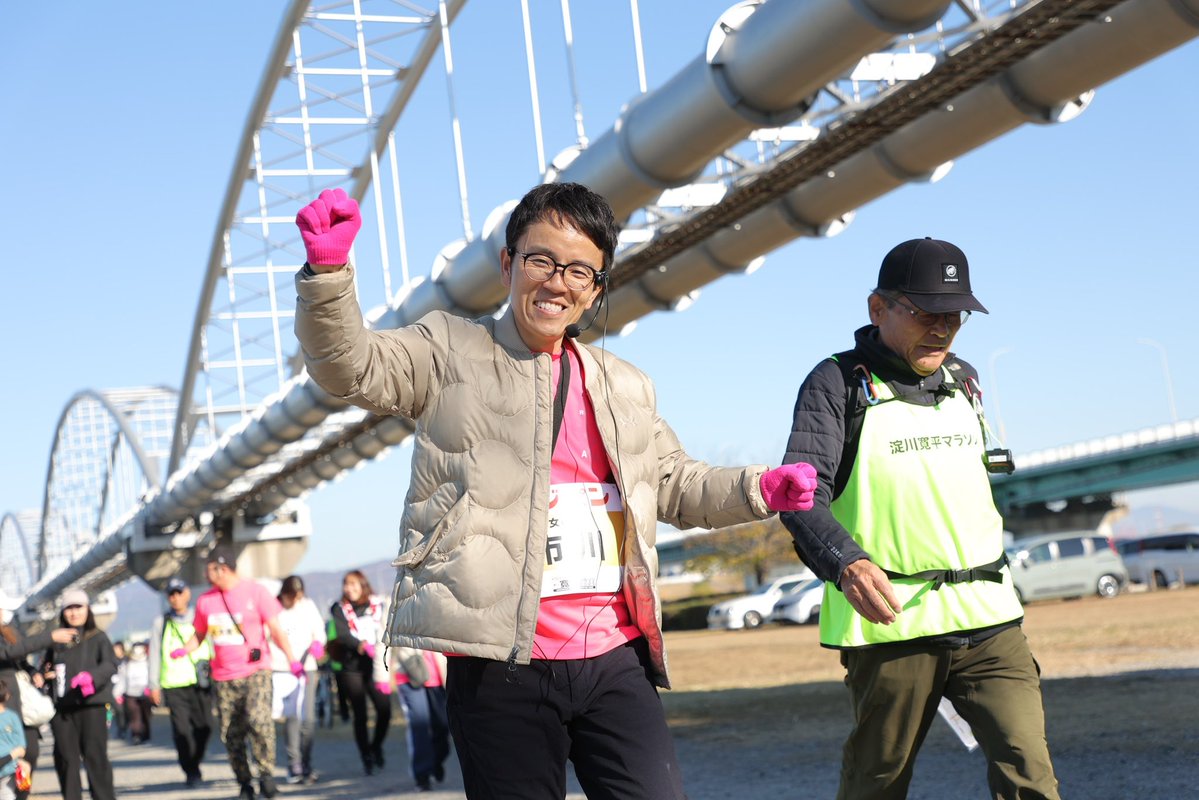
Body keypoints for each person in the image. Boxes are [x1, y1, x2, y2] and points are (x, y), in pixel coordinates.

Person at [292, 182, 817, 799]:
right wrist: (328, 277)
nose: (557, 282)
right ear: (509, 264)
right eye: (541, 260)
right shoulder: (448, 351)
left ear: (595, 288)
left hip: (615, 655)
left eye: (579, 270)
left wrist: (761, 488)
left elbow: (675, 484)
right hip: (499, 663)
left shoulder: (625, 385)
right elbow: (349, 366)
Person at [777, 237, 1059, 799]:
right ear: (878, 308)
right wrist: (847, 562)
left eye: (954, 315)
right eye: (926, 313)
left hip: (989, 616)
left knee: (1029, 768)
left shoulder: (966, 378)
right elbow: (798, 494)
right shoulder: (835, 384)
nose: (943, 327)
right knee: (877, 781)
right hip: (893, 623)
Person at [171, 545, 304, 800]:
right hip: (223, 676)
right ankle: (244, 782)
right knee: (231, 732)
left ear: (221, 568)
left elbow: (276, 629)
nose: (206, 573)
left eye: (209, 568)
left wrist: (291, 659)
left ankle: (266, 775)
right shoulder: (206, 601)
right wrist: (184, 650)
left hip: (256, 671)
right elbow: (199, 634)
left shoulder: (256, 592)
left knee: (258, 720)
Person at [42, 589, 118, 800]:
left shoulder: (99, 637)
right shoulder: (56, 640)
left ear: (88, 610)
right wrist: (43, 676)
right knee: (66, 760)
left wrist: (92, 677)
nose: (74, 613)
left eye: (79, 607)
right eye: (69, 608)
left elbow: (111, 664)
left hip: (92, 706)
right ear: (63, 612)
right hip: (63, 710)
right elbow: (44, 668)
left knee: (96, 758)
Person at [0, 592, 76, 800]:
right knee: (9, 754)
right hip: (4, 708)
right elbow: (9, 653)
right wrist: (49, 637)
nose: (3, 613)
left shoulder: (8, 631)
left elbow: (19, 658)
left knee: (30, 752)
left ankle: (20, 794)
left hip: (23, 706)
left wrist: (33, 672)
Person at [148, 577, 213, 786]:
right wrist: (154, 685)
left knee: (205, 727)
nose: (175, 598)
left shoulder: (201, 618)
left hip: (200, 682)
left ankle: (195, 760)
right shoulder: (161, 623)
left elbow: (212, 645)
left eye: (179, 592)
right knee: (182, 731)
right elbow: (155, 655)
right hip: (173, 684)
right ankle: (191, 770)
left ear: (187, 594)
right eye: (171, 594)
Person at [327, 571, 390, 775]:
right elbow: (342, 633)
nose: (349, 588)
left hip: (374, 666)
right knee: (360, 714)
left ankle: (376, 745)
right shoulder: (339, 608)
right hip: (351, 667)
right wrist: (360, 645)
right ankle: (366, 755)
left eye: (353, 584)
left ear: (363, 584)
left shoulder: (377, 604)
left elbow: (385, 627)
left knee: (384, 710)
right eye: (346, 584)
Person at [267, 575, 326, 785]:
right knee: (292, 717)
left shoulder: (307, 606)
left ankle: (308, 762)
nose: (296, 600)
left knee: (308, 719)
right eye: (293, 596)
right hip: (283, 669)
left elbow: (319, 630)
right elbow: (269, 637)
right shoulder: (273, 609)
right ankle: (295, 764)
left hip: (307, 668)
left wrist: (319, 643)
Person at [392, 648, 450, 793]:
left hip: (436, 676)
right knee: (420, 726)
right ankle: (422, 775)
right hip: (409, 674)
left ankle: (436, 761)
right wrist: (380, 676)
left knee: (443, 725)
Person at [0, 679, 30, 800]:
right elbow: (21, 748)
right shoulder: (12, 717)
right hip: (9, 769)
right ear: (7, 696)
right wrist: (18, 758)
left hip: (8, 770)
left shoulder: (12, 717)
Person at [118, 641, 152, 744]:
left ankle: (146, 733)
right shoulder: (127, 663)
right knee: (134, 716)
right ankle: (136, 735)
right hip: (130, 694)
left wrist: (152, 688)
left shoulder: (149, 661)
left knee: (145, 715)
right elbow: (122, 679)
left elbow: (153, 675)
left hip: (145, 693)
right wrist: (117, 693)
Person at [108, 641, 127, 740]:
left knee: (123, 711)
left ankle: (123, 728)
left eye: (118, 649)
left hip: (125, 690)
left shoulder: (127, 661)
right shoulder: (110, 661)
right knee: (112, 712)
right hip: (112, 691)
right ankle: (114, 729)